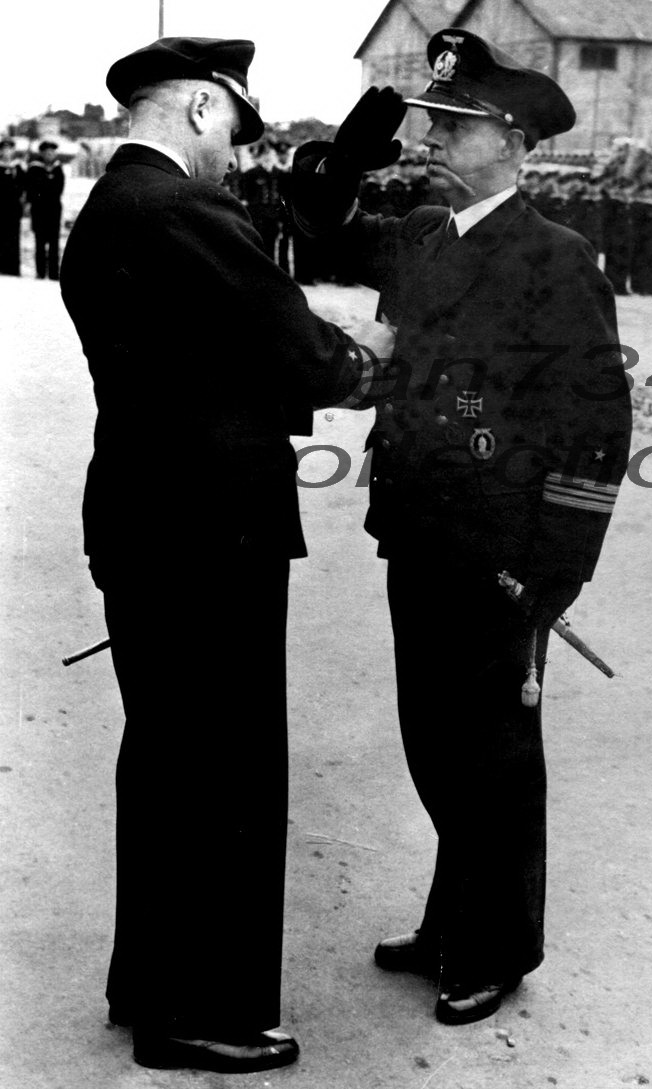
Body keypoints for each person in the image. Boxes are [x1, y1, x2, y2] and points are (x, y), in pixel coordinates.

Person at [59, 35, 392, 1074]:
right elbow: (289, 342)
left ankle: (149, 986)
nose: (234, 154)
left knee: (168, 758)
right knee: (221, 770)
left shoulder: (118, 204)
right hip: (207, 528)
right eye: (234, 132)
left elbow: (219, 321)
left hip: (150, 514)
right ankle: (197, 1011)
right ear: (203, 107)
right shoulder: (180, 209)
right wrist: (368, 362)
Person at [292, 29, 632, 1026]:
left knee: (490, 757)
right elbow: (318, 221)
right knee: (435, 742)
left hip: (500, 553)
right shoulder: (423, 234)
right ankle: (452, 924)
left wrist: (555, 567)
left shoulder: (556, 258)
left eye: (454, 123)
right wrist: (355, 145)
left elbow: (595, 423)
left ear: (513, 141)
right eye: (431, 120)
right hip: (417, 531)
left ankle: (495, 946)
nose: (433, 136)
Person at [25, 139, 65, 279]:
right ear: (42, 153)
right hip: (39, 209)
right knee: (40, 241)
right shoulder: (34, 168)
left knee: (54, 242)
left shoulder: (58, 168)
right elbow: (31, 188)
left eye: (52, 152)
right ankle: (40, 272)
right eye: (47, 152)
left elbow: (59, 188)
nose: (50, 154)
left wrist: (45, 189)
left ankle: (53, 273)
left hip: (54, 209)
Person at [629, 181, 652, 295]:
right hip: (642, 237)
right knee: (641, 261)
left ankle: (651, 287)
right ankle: (639, 287)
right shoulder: (638, 204)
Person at [0, 137, 25, 275]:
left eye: (9, 149)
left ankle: (13, 269)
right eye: (4, 149)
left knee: (13, 238)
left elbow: (23, 186)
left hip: (14, 208)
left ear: (13, 151)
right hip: (0, 207)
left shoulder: (18, 167)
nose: (7, 152)